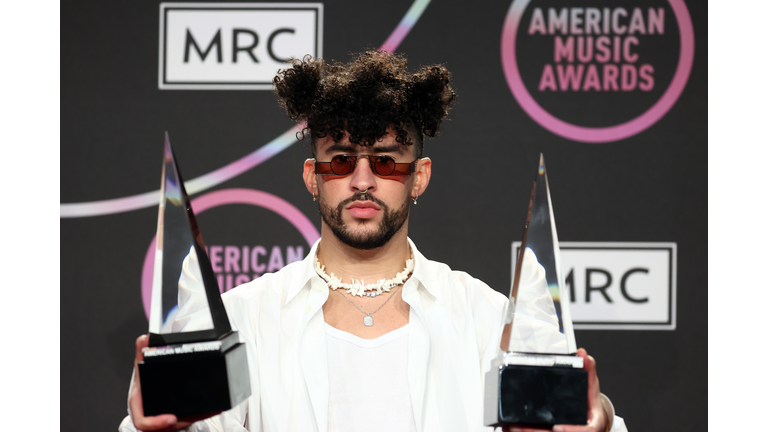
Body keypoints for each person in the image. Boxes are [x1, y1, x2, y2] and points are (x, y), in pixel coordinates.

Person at [120, 50, 627, 432]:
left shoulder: (485, 319)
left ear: (419, 176)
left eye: (385, 161)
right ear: (312, 176)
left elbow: (575, 421)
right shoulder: (244, 319)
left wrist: (596, 417)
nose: (362, 180)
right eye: (340, 160)